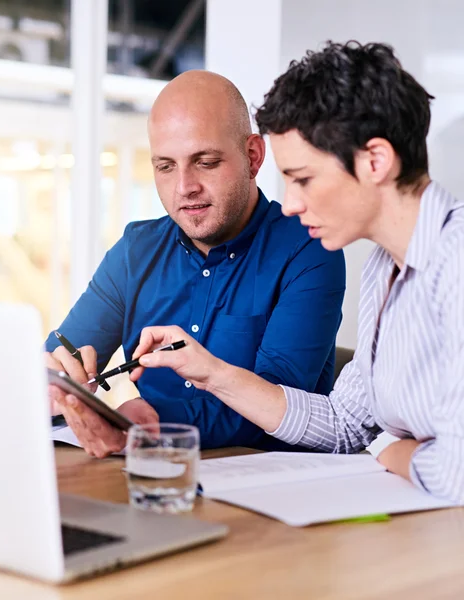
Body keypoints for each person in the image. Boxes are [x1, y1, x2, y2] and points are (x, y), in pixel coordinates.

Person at [130, 42, 464, 503]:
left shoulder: (457, 262)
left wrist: (389, 448)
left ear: (375, 161)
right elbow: (346, 424)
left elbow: (457, 471)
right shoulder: (385, 268)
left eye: (303, 178)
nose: (289, 204)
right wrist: (211, 373)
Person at [46, 70, 346, 458]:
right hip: (154, 477)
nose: (184, 187)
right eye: (165, 166)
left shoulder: (309, 248)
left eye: (205, 162)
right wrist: (51, 384)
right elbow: (64, 358)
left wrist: (151, 420)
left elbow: (276, 403)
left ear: (252, 157)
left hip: (270, 485)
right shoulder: (135, 251)